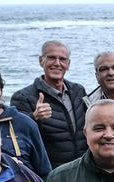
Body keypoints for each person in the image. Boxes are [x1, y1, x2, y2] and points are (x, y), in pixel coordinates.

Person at [11, 40, 88, 168]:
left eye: (62, 59)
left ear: (68, 64)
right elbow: (15, 136)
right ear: (41, 61)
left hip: (82, 167)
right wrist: (33, 117)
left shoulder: (78, 90)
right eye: (51, 58)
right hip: (49, 172)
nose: (57, 63)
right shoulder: (23, 97)